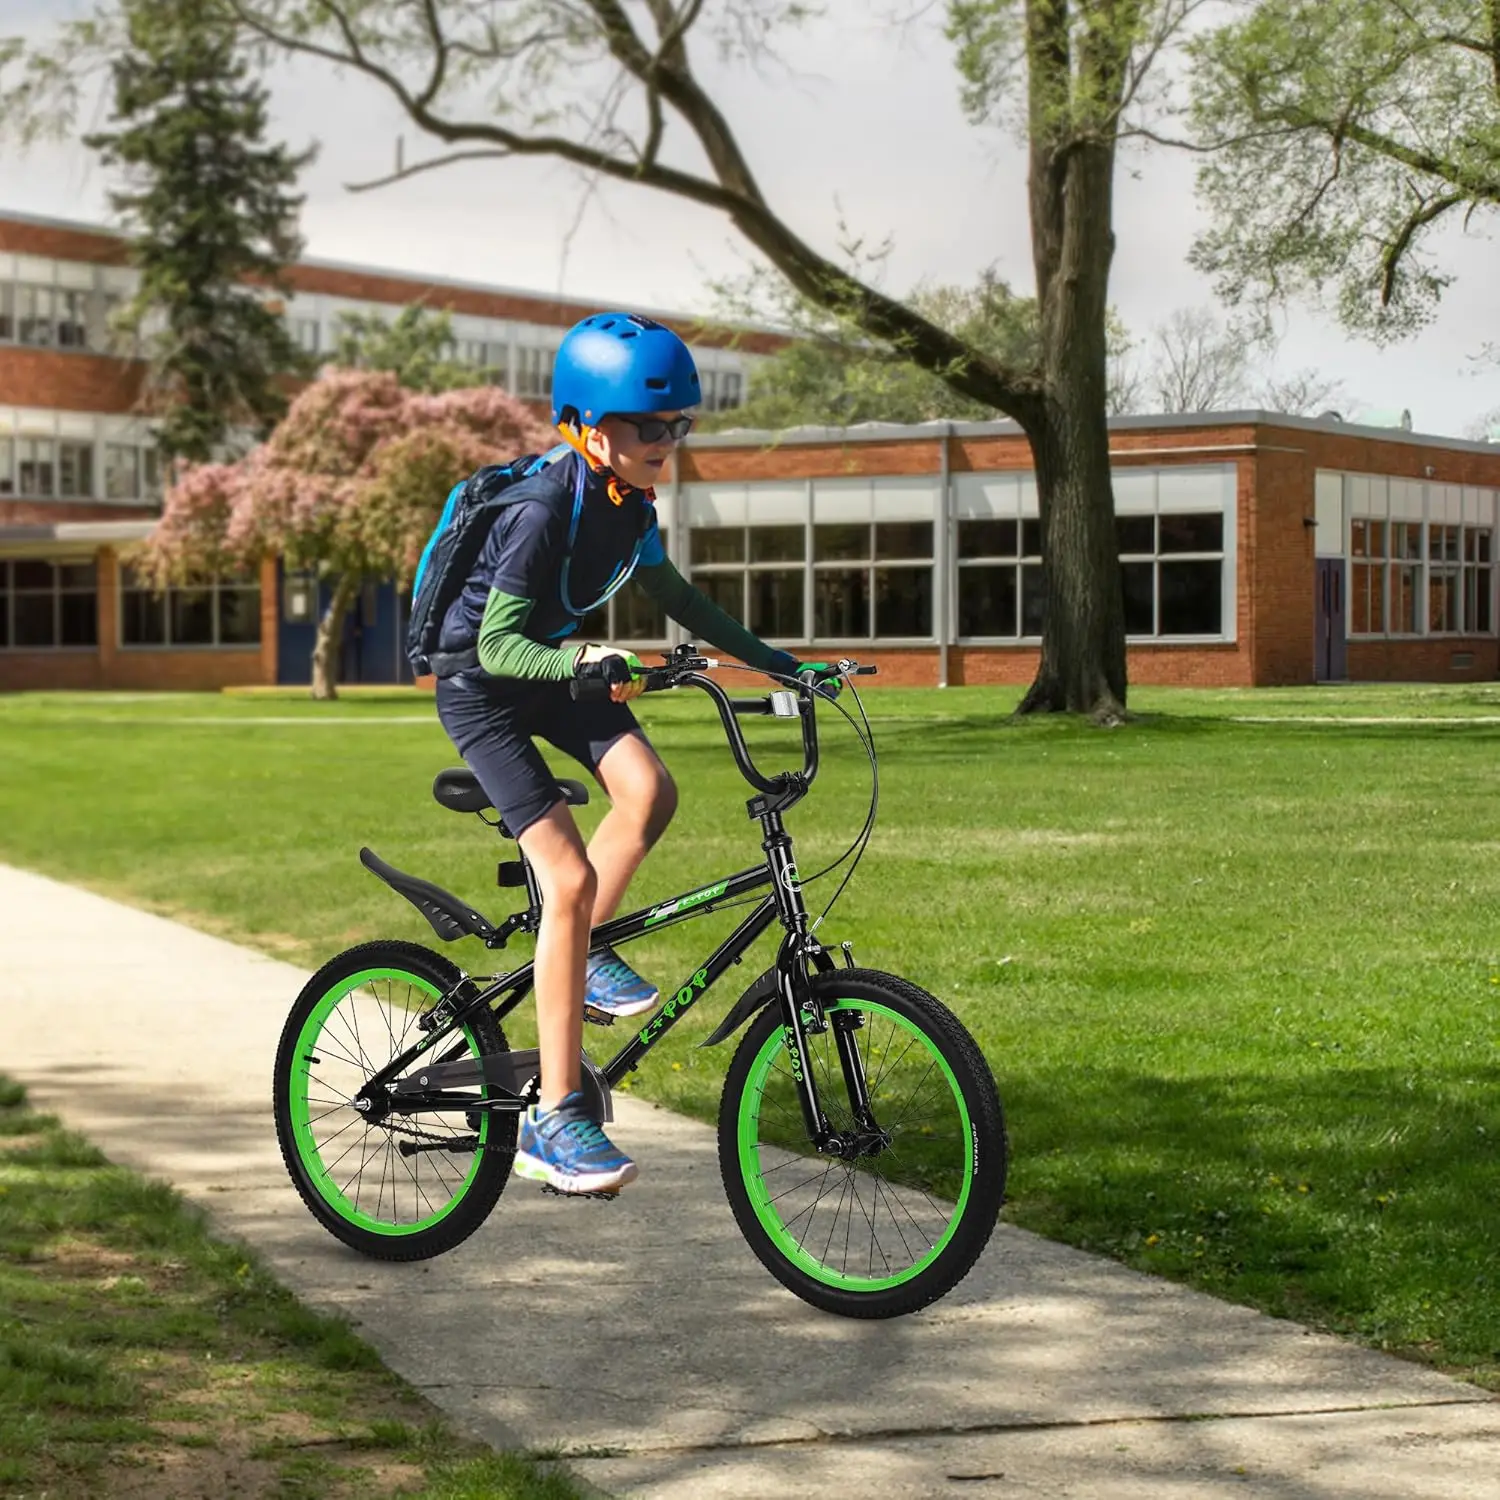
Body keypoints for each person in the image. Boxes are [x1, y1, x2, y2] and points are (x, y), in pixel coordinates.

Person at [432, 311, 813, 1196]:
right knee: (564, 880)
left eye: (679, 425)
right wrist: (585, 659)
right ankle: (555, 1117)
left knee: (649, 792)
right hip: (483, 685)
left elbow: (680, 597)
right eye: (650, 427)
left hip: (552, 668)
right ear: (587, 427)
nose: (668, 442)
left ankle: (584, 948)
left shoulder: (628, 506)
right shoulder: (538, 512)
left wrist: (790, 665)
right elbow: (497, 649)